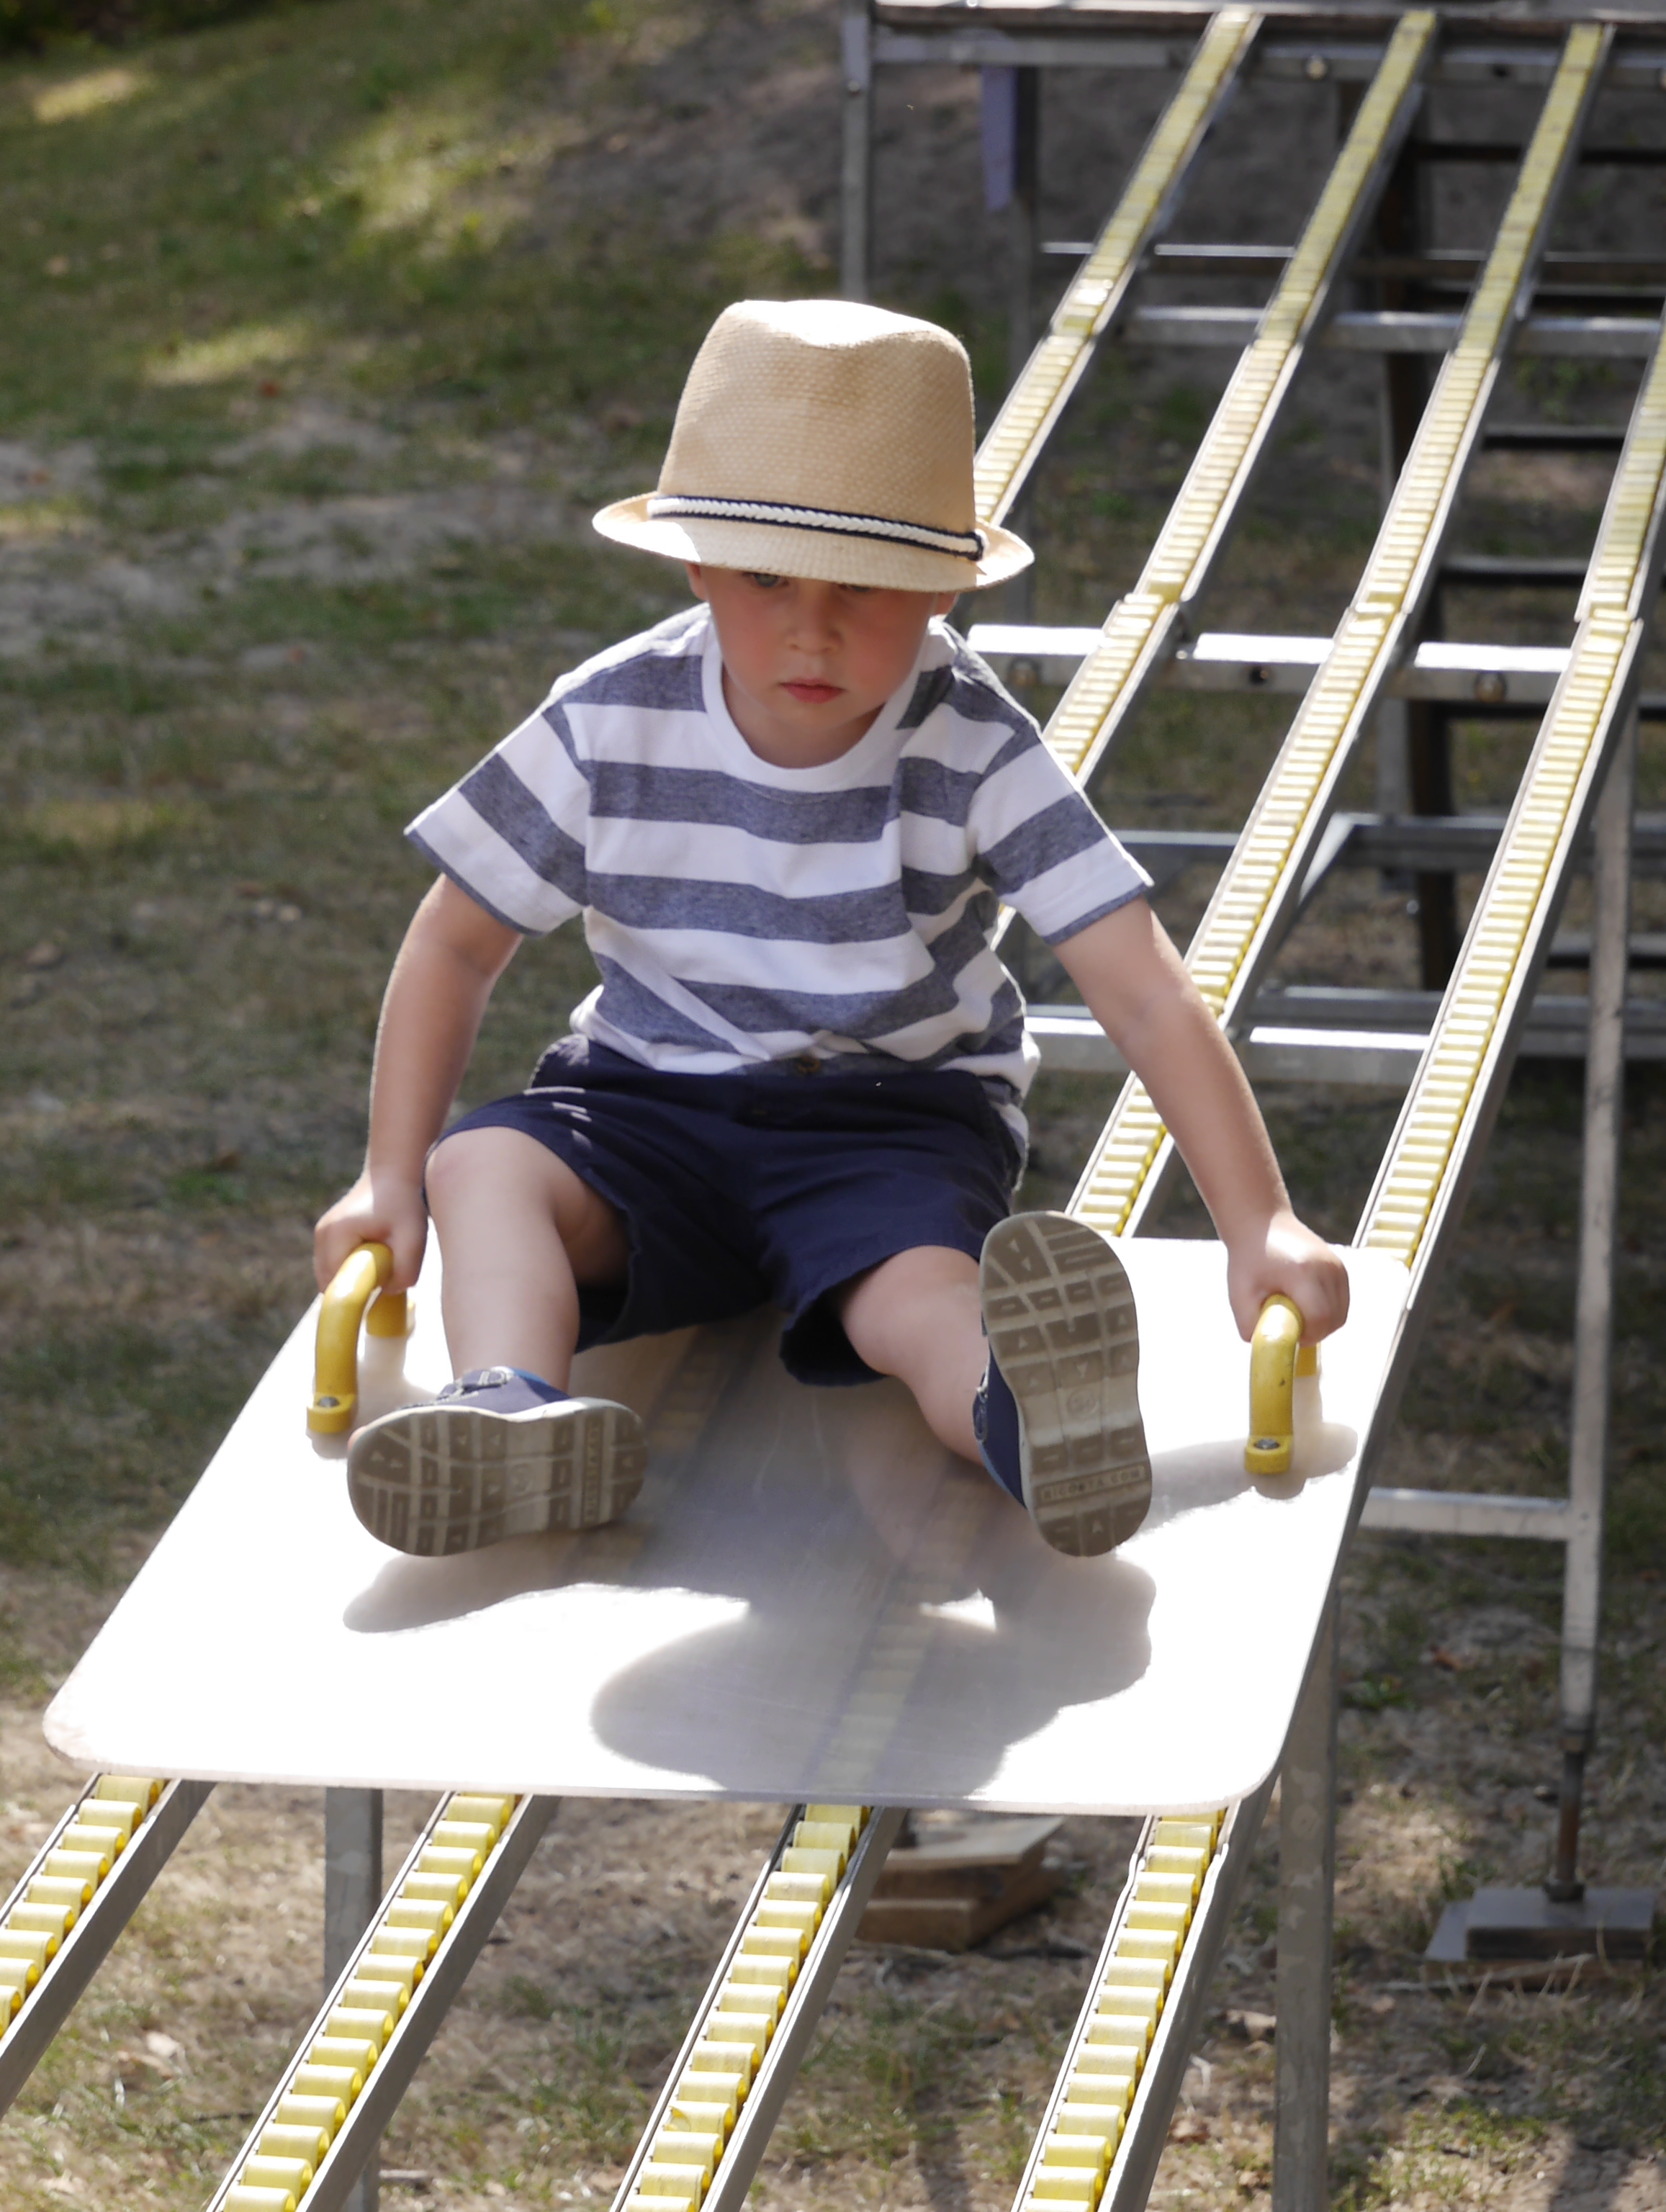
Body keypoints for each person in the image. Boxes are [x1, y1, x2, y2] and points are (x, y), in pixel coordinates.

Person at [310, 299, 1348, 1563]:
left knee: (914, 1294)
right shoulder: (609, 718)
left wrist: (1260, 1222)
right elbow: (456, 944)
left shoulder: (974, 741)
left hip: (889, 1118)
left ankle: (1030, 1417)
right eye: (766, 581)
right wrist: (388, 1172)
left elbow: (1140, 987)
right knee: (483, 1167)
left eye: (863, 587)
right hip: (647, 1106)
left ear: (944, 587)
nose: (812, 628)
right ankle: (512, 1410)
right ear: (697, 567)